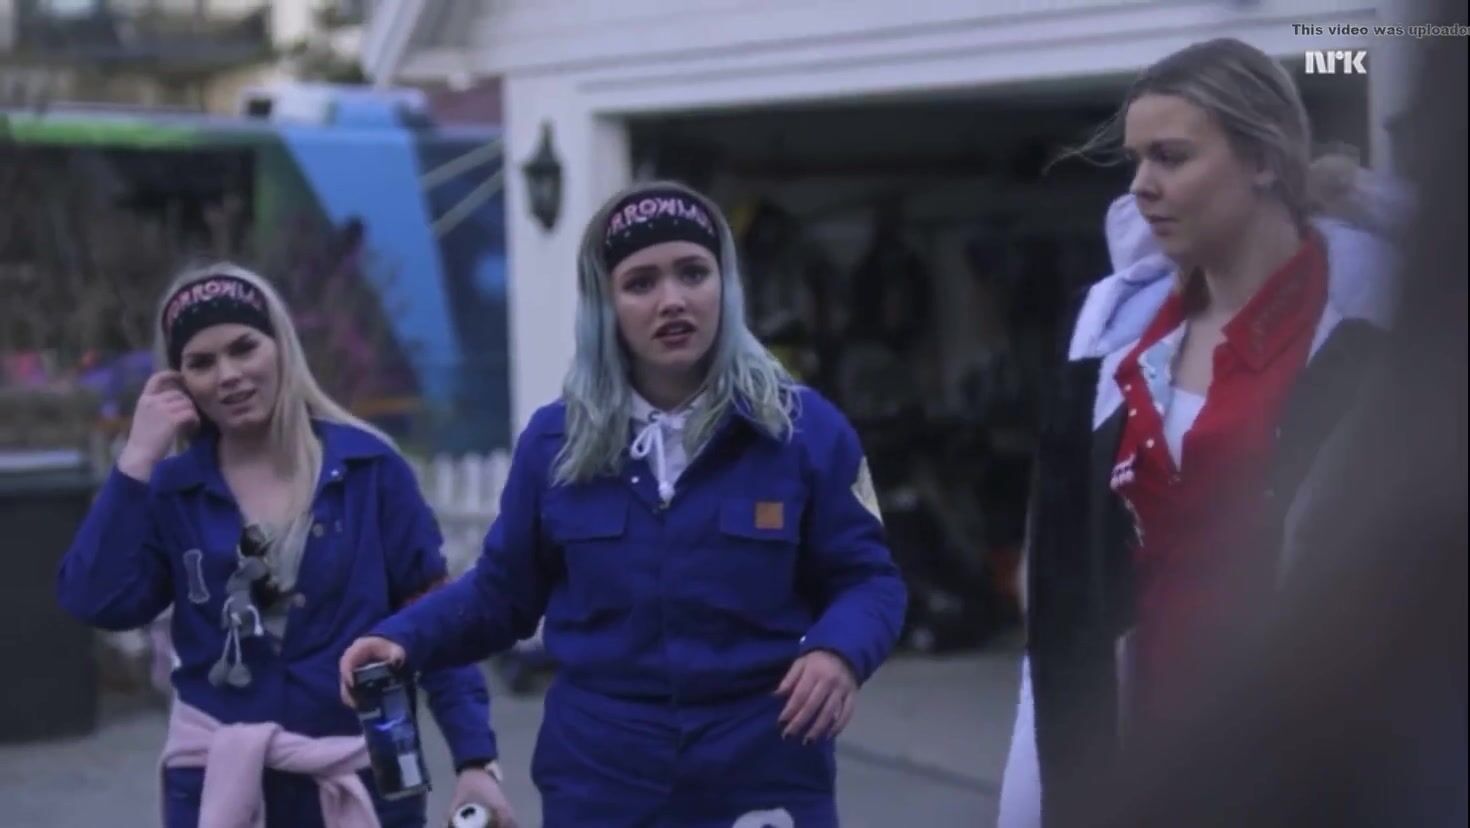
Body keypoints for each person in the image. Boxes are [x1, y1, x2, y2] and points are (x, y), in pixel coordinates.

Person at [339, 180, 908, 827]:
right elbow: (501, 595)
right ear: (603, 304)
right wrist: (402, 639)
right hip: (603, 781)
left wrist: (838, 651)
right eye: (640, 283)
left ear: (725, 284)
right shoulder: (556, 444)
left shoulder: (803, 431)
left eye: (693, 272)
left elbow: (870, 580)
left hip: (763, 768)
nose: (673, 300)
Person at [999, 38, 1406, 827]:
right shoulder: (1110, 342)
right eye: (1136, 160)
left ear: (1263, 160)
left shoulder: (1373, 335)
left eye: (1172, 157)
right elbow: (1059, 595)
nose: (1141, 187)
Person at [56, 263, 513, 827]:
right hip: (218, 785)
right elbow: (95, 600)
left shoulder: (369, 470)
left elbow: (437, 621)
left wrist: (476, 760)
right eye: (201, 362)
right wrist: (135, 460)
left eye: (244, 347)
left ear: (281, 347)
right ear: (178, 381)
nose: (228, 375)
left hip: (367, 778)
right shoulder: (173, 490)